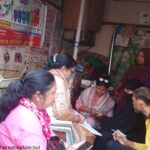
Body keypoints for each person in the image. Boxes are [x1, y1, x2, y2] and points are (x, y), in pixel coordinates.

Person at [0, 70, 56, 149]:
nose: (55, 97)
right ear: (38, 96)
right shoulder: (27, 119)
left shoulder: (27, 107)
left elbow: (49, 132)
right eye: (53, 93)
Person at [93, 79, 146, 150]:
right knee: (101, 134)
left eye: (129, 91)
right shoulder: (129, 103)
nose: (126, 92)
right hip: (125, 132)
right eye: (126, 90)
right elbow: (119, 121)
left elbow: (120, 124)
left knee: (104, 136)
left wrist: (102, 117)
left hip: (133, 138)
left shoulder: (136, 107)